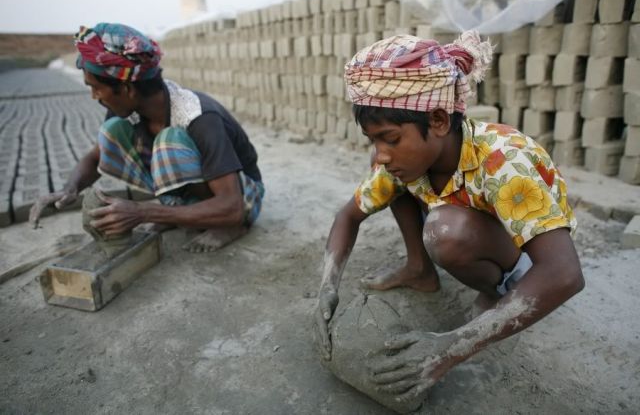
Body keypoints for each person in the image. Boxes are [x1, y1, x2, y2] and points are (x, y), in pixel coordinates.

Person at [314, 31, 584, 401]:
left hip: (529, 259)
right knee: (394, 179)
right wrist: (327, 288)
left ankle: (499, 293)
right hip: (481, 232)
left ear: (439, 120)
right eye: (373, 140)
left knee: (445, 231)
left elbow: (564, 273)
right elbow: (348, 217)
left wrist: (451, 346)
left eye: (390, 139)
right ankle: (419, 270)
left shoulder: (503, 159)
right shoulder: (412, 159)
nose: (381, 153)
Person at [29, 23, 264, 252]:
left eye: (97, 88)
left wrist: (143, 212)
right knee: (112, 132)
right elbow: (95, 157)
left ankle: (229, 226)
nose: (94, 96)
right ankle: (182, 212)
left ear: (128, 90)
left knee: (168, 142)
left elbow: (231, 204)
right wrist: (70, 189)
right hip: (207, 193)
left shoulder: (199, 117)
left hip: (241, 197)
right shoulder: (129, 108)